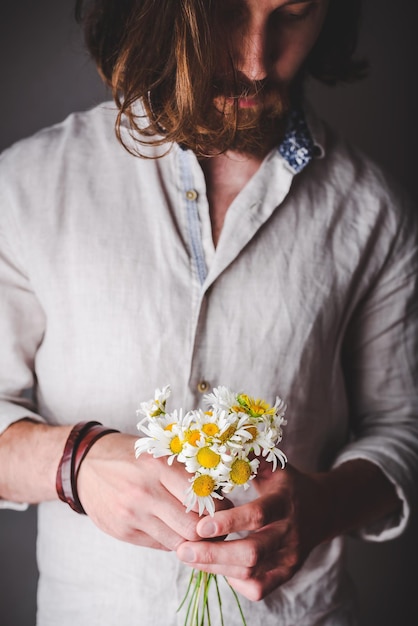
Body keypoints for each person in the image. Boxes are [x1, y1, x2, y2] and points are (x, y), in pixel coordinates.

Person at [0, 0, 417, 624]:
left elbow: (404, 429)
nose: (253, 62)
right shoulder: (27, 186)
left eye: (294, 13)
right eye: (222, 11)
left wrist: (326, 505)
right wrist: (76, 463)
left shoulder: (373, 210)